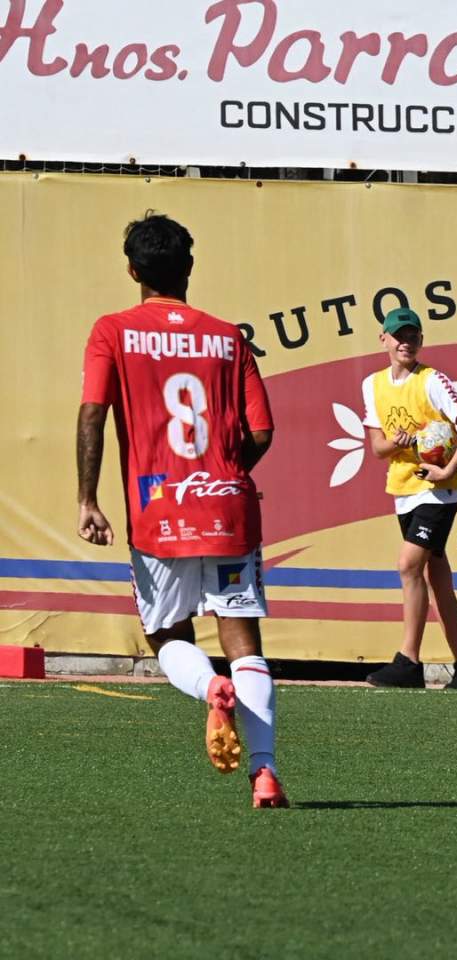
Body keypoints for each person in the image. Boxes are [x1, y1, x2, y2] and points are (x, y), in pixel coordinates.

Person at [77, 212, 286, 809]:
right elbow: (263, 431)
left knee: (166, 635)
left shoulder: (113, 331)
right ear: (189, 268)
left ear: (132, 270)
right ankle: (265, 772)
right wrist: (222, 474)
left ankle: (208, 686)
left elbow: (93, 413)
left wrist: (88, 498)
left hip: (158, 514)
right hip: (227, 509)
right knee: (245, 643)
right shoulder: (228, 337)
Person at [360, 307, 457, 690]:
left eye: (413, 335)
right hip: (403, 489)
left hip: (438, 490)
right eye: (398, 335)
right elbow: (377, 448)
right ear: (383, 339)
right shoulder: (373, 385)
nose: (405, 341)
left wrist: (447, 470)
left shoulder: (433, 380)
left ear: (421, 340)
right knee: (437, 576)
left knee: (408, 566)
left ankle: (408, 661)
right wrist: (394, 442)